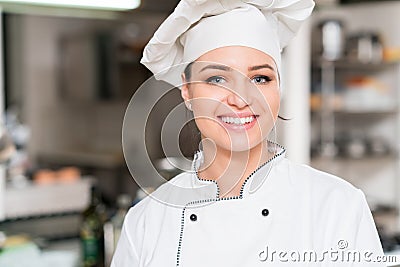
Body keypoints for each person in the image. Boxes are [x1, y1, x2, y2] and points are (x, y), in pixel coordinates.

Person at [111, 0, 386, 266]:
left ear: (278, 87)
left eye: (260, 78)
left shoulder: (337, 207)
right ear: (187, 90)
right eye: (217, 79)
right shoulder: (147, 222)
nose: (240, 99)